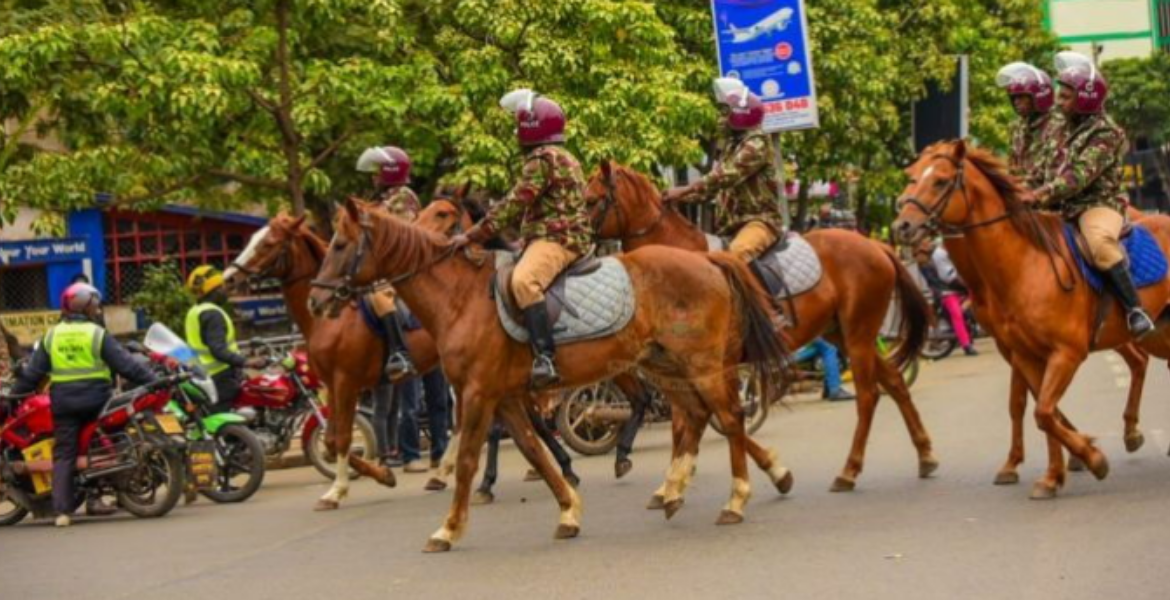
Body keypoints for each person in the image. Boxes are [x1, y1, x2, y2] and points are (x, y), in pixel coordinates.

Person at [451, 89, 595, 389]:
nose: (516, 132)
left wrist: (473, 234)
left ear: (530, 126)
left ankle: (545, 358)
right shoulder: (561, 155)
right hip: (552, 235)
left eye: (519, 125)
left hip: (558, 239)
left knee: (523, 281)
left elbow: (515, 203)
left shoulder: (542, 160)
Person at [7, 283, 159, 527]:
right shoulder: (95, 333)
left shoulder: (52, 335)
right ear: (87, 308)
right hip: (96, 400)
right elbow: (125, 365)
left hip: (64, 403)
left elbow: (32, 374)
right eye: (94, 306)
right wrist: (153, 380)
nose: (96, 310)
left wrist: (13, 399)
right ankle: (103, 492)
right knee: (102, 440)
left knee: (65, 455)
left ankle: (62, 513)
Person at [1025, 52, 1153, 337]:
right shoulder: (1057, 129)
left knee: (1099, 244)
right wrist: (1020, 189)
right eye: (1060, 94)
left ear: (1085, 99)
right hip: (1057, 205)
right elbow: (1041, 169)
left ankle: (1135, 310)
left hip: (1096, 204)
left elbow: (1078, 176)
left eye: (1066, 96)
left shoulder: (1107, 132)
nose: (1058, 101)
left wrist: (1041, 194)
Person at [663, 78, 783, 263]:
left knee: (733, 260)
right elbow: (710, 190)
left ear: (742, 113)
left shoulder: (757, 143)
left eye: (725, 113)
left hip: (758, 221)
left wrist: (684, 189)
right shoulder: (731, 148)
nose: (720, 119)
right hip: (728, 228)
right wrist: (670, 198)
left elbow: (726, 176)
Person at [355, 146, 421, 381]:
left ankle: (400, 354)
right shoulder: (380, 199)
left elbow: (401, 236)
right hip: (379, 267)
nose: (373, 177)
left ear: (391, 172)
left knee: (380, 295)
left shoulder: (403, 197)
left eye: (377, 172)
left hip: (401, 269)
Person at [185, 266, 267, 409]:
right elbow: (218, 349)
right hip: (220, 378)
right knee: (230, 422)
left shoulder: (194, 312)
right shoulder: (213, 314)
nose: (226, 291)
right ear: (214, 291)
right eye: (222, 287)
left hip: (204, 375)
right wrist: (246, 361)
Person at [996, 61, 1064, 187]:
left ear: (1039, 96)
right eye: (1014, 98)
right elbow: (1013, 167)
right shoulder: (1017, 127)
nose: (1017, 102)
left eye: (1021, 97)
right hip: (1020, 194)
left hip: (1048, 195)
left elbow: (1054, 174)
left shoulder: (1060, 126)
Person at [915, 240, 977, 356]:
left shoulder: (936, 256)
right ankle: (966, 345)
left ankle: (968, 329)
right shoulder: (932, 259)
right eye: (924, 244)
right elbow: (944, 278)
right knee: (957, 314)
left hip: (951, 290)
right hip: (945, 292)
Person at [397, 369, 451, 473]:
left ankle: (440, 453)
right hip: (411, 358)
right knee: (411, 408)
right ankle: (410, 457)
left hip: (435, 356)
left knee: (440, 403)